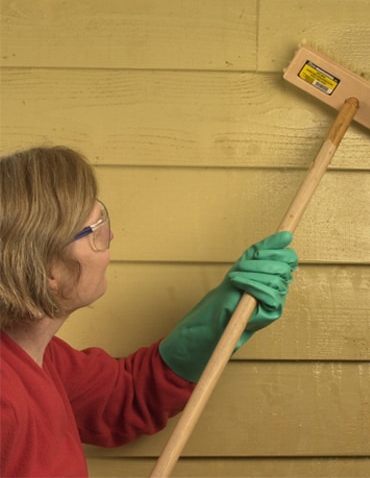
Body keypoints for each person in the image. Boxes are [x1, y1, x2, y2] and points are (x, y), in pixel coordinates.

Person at [0, 146, 298, 477]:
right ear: (46, 270)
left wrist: (219, 318)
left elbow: (122, 397)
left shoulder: (39, 356)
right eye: (96, 230)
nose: (110, 235)